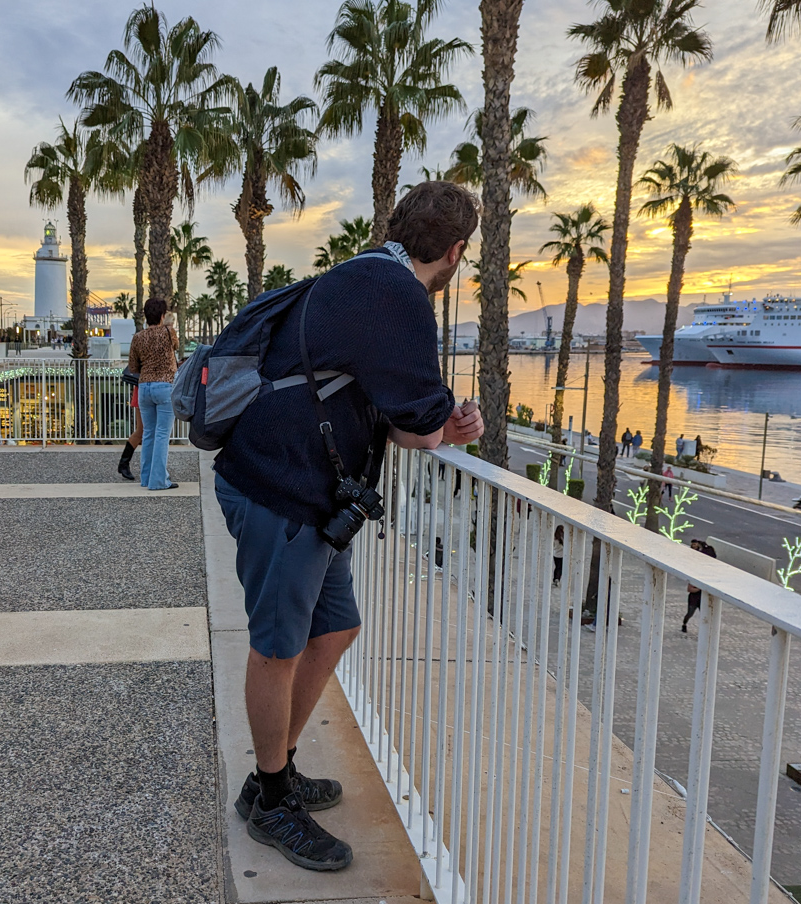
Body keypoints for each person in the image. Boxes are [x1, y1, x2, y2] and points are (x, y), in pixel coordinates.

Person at [213, 181, 485, 871]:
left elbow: (403, 421)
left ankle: (273, 775)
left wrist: (435, 426)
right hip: (279, 489)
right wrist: (446, 423)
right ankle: (271, 803)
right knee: (277, 648)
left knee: (334, 629)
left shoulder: (363, 279)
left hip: (314, 495)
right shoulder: (396, 295)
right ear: (454, 251)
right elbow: (422, 425)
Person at [128, 297, 178, 491]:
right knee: (162, 434)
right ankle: (159, 481)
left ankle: (146, 477)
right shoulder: (168, 332)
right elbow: (175, 347)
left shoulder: (138, 337)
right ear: (162, 315)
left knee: (148, 433)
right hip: (165, 386)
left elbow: (133, 366)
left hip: (144, 388)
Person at [683, 538, 718, 633]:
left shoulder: (705, 550)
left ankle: (705, 629)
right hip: (694, 598)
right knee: (690, 613)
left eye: (694, 545)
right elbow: (690, 589)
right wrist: (699, 588)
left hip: (701, 598)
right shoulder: (694, 578)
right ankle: (684, 624)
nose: (693, 547)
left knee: (704, 613)